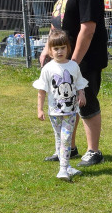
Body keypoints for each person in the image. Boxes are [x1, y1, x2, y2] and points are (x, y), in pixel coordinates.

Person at [41, 0, 108, 167]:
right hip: (63, 58)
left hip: (85, 60)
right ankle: (69, 147)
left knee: (85, 102)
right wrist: (47, 49)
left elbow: (87, 30)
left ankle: (94, 151)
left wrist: (75, 64)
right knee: (66, 103)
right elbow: (56, 22)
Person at [34, 28, 87, 182]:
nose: (59, 51)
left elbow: (79, 83)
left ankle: (63, 169)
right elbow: (41, 91)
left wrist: (81, 94)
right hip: (54, 113)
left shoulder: (73, 66)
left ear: (67, 48)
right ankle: (67, 165)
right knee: (59, 138)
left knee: (66, 139)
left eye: (62, 48)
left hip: (70, 112)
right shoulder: (48, 69)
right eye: (56, 49)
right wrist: (40, 109)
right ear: (50, 51)